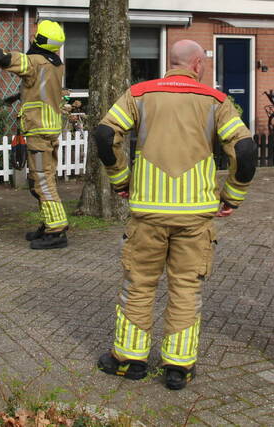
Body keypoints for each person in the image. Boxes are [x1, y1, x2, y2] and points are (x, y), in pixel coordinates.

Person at [93, 40, 257, 390]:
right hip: (195, 217)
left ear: (171, 62)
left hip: (148, 213)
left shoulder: (139, 94)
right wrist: (233, 196)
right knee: (185, 288)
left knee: (139, 285)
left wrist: (122, 180)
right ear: (197, 64)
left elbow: (105, 134)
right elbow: (244, 149)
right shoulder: (216, 101)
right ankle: (178, 367)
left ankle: (130, 361)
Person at [0, 17, 70, 250]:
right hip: (50, 129)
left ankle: (57, 229)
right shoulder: (56, 64)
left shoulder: (33, 61)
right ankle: (48, 222)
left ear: (39, 39)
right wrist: (17, 97)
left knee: (41, 180)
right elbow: (40, 90)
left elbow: (2, 57)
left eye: (35, 34)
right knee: (41, 179)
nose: (31, 37)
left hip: (38, 130)